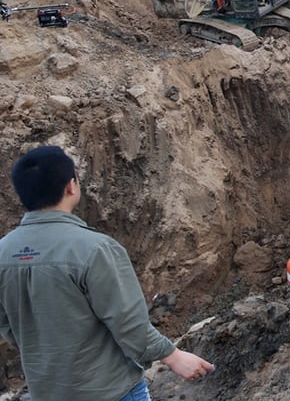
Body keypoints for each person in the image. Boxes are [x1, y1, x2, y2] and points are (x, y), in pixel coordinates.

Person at [0, 146, 215, 401]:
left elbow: (8, 326)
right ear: (71, 186)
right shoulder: (95, 249)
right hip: (111, 391)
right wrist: (173, 356)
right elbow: (128, 321)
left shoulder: (3, 252)